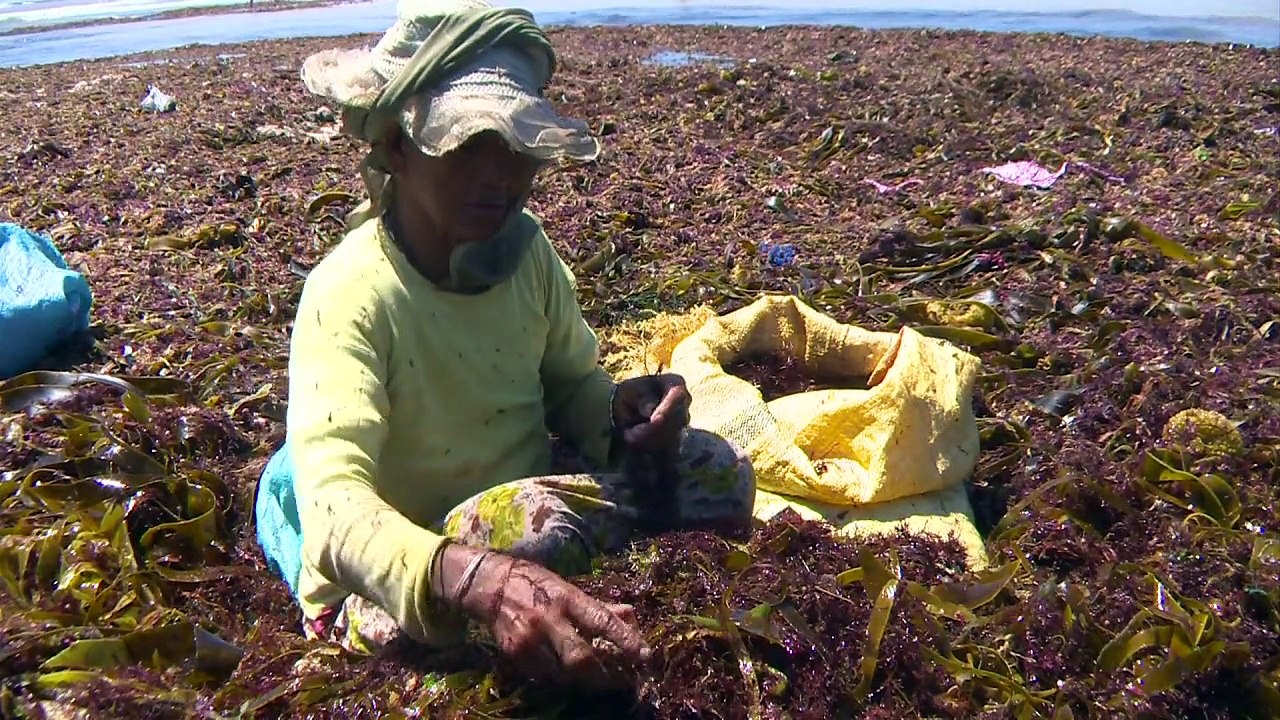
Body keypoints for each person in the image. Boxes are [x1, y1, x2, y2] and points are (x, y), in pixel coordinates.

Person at [254, 0, 756, 691]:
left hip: (516, 514)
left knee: (716, 469)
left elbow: (571, 386)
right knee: (535, 526)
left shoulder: (527, 257)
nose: (501, 174)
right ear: (397, 144)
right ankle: (527, 590)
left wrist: (622, 416)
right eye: (466, 144)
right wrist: (476, 577)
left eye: (518, 143)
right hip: (404, 576)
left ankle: (541, 579)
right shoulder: (349, 294)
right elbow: (335, 510)